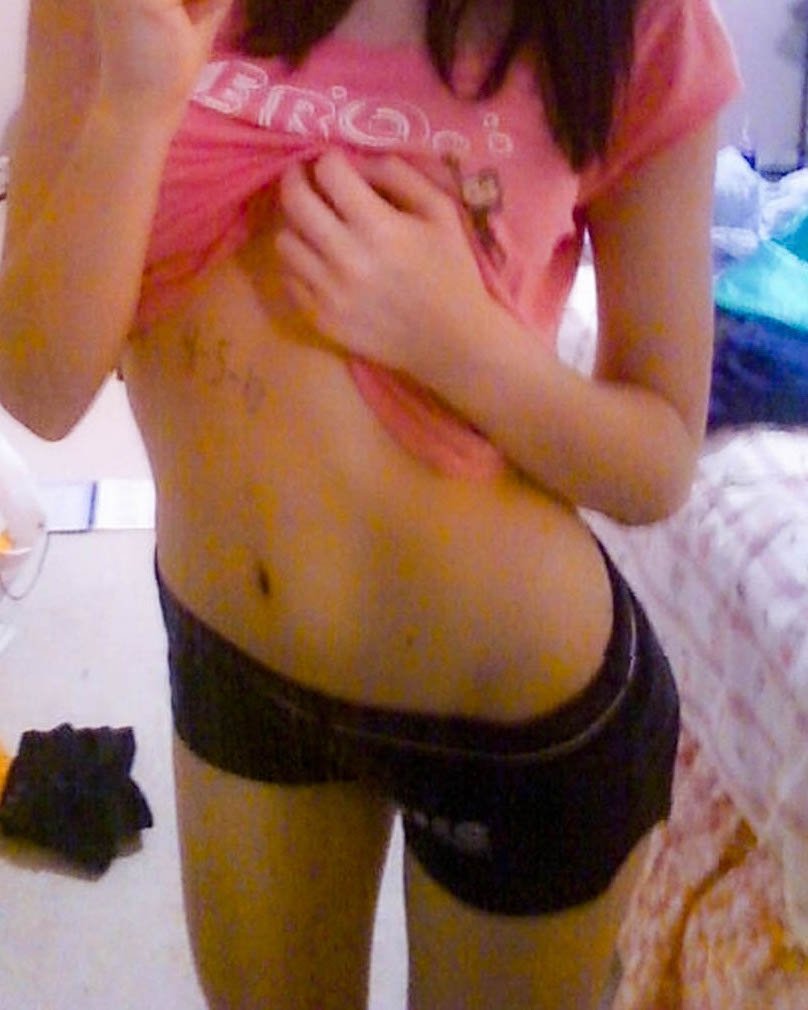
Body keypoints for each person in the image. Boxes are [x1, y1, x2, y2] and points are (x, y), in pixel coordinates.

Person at [0, 0, 740, 1006]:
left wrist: (459, 343)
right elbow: (40, 388)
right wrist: (135, 102)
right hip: (236, 667)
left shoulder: (638, 27)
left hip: (515, 715)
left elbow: (657, 458)